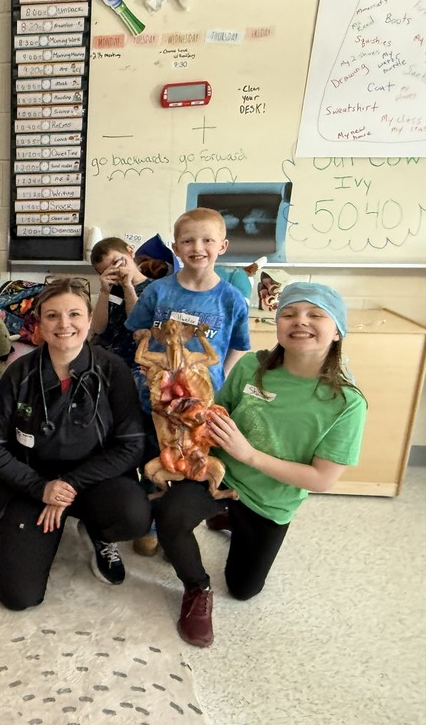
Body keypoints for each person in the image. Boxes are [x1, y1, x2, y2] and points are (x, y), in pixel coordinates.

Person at [154, 283, 367, 647]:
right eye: (288, 313)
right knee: (169, 515)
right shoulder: (252, 365)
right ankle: (197, 588)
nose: (300, 321)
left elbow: (322, 478)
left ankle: (228, 520)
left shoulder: (346, 403)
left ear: (338, 331)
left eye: (315, 315)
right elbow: (213, 413)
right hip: (217, 476)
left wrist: (248, 454)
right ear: (277, 323)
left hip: (270, 501)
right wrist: (179, 408)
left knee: (243, 590)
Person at [0, 278, 151, 610]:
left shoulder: (112, 369)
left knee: (133, 515)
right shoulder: (19, 373)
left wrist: (70, 484)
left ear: (88, 319)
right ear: (39, 323)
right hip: (34, 484)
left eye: (74, 314)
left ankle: (98, 530)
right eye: (52, 316)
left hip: (96, 480)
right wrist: (40, 488)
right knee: (18, 596)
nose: (64, 324)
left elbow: (131, 446)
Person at [126, 207, 250, 393]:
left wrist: (221, 375)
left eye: (207, 240)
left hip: (203, 398)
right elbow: (139, 331)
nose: (197, 248)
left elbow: (239, 345)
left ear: (222, 246)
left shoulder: (232, 299)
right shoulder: (157, 291)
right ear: (176, 248)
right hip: (156, 394)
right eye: (187, 241)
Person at [89, 237, 160, 556]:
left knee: (147, 444)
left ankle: (152, 524)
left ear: (131, 253)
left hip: (141, 370)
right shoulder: (109, 291)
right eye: (107, 270)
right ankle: (117, 509)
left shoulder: (158, 288)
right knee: (110, 444)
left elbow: (138, 324)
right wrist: (104, 290)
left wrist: (129, 285)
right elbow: (100, 328)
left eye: (118, 261)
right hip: (106, 367)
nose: (115, 272)